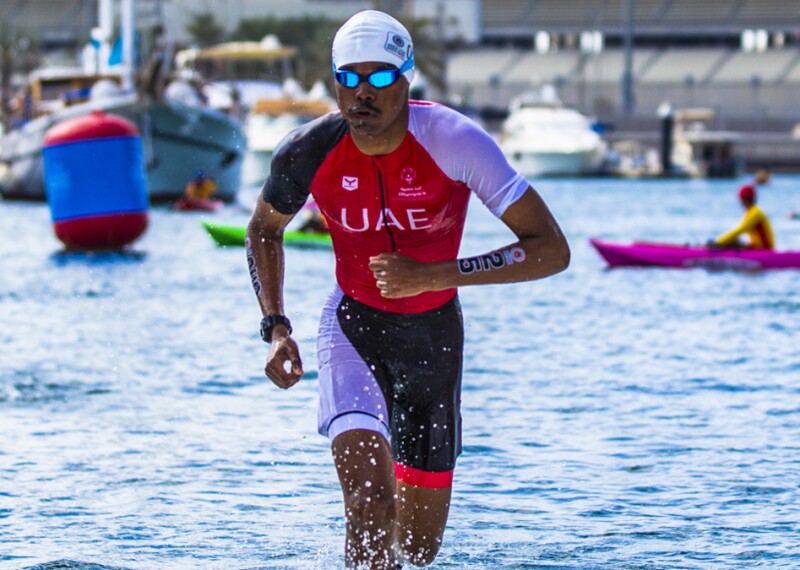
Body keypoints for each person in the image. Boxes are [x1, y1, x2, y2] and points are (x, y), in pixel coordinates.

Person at [246, 10, 570, 569]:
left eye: (379, 77)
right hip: (353, 329)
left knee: (418, 551)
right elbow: (263, 230)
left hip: (433, 341)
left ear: (407, 78)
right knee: (370, 505)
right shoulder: (305, 152)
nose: (362, 93)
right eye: (349, 78)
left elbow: (549, 248)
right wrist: (276, 327)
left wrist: (436, 274)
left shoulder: (455, 141)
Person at [712, 183, 775, 249]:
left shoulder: (756, 213)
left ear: (743, 199)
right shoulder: (752, 211)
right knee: (734, 242)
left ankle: (710, 250)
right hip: (757, 247)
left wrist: (717, 242)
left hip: (765, 250)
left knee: (732, 242)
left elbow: (740, 230)